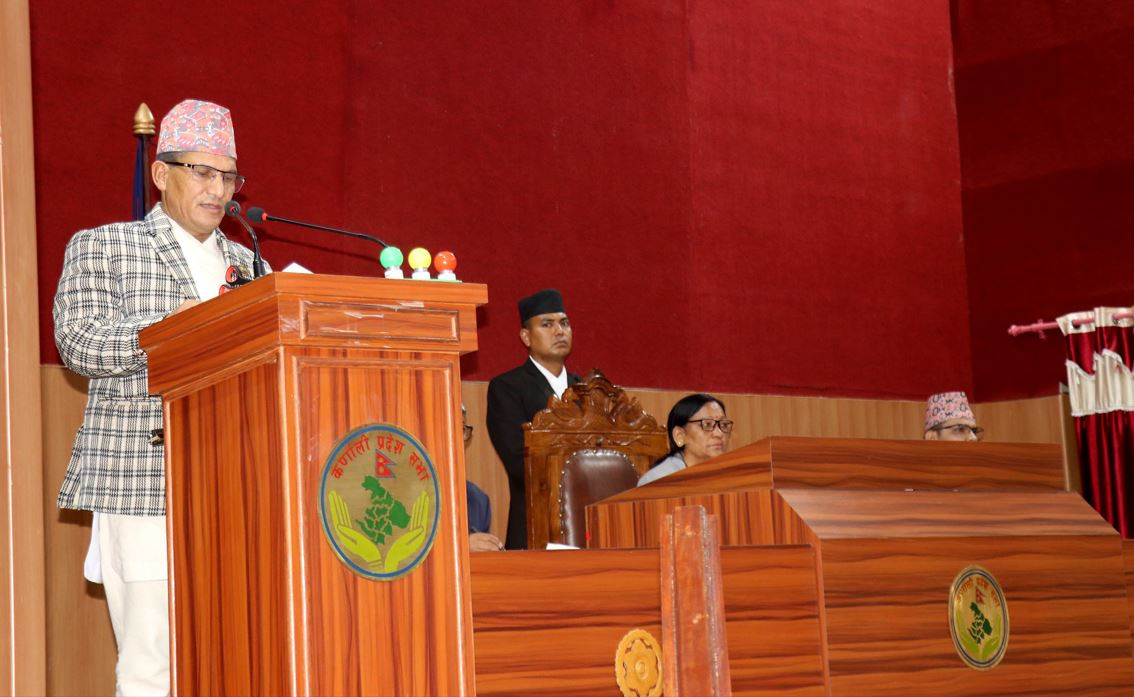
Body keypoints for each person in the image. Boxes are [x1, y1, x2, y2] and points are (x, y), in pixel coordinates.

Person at [53, 99, 262, 696]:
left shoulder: (251, 266)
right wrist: (183, 326)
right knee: (153, 663)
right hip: (142, 480)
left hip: (237, 482)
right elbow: (80, 342)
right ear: (160, 173)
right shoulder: (106, 247)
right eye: (201, 171)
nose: (217, 189)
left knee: (233, 654)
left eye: (228, 176)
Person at [486, 288, 580, 549]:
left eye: (564, 323)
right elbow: (519, 462)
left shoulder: (587, 390)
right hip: (534, 525)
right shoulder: (507, 388)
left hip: (586, 525)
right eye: (547, 324)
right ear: (526, 336)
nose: (559, 331)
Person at [638, 393, 732, 486]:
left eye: (723, 424)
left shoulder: (730, 476)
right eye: (707, 424)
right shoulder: (658, 480)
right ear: (680, 436)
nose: (719, 433)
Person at [462, 404, 504, 551]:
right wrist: (460, 547)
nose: (456, 437)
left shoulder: (478, 500)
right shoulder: (407, 493)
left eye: (461, 429)